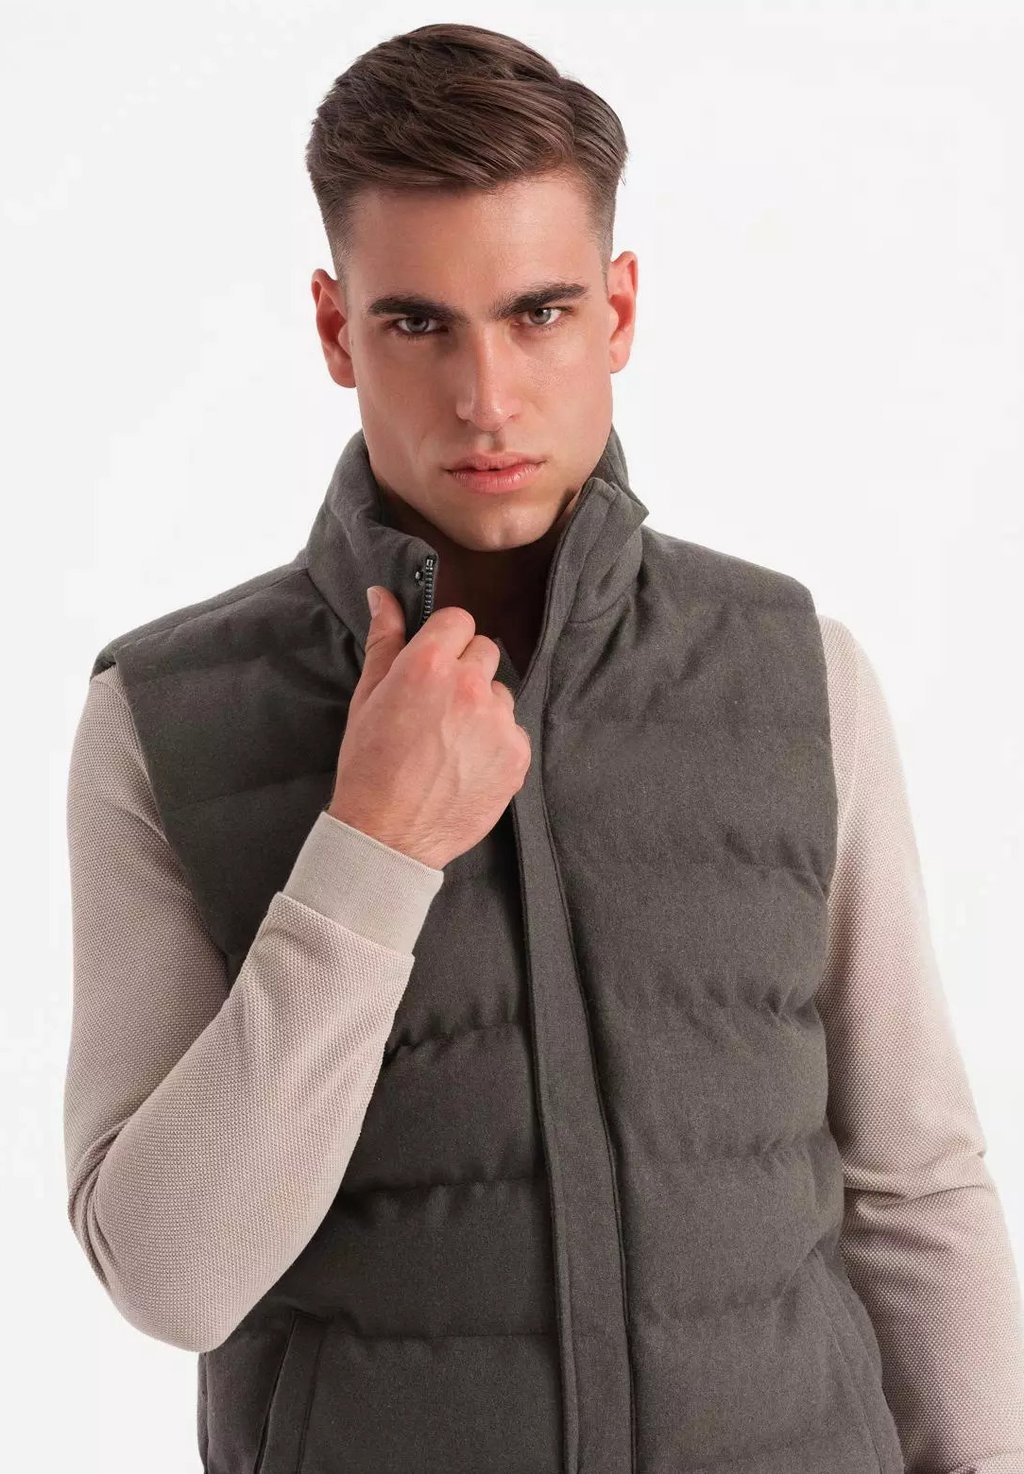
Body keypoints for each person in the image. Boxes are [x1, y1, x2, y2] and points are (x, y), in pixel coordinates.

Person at [63, 21, 1024, 1474]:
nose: (487, 398)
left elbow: (916, 1184)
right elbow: (168, 1276)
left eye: (539, 313)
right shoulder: (167, 716)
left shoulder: (798, 676)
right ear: (335, 330)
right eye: (417, 323)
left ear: (618, 311)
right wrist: (370, 852)